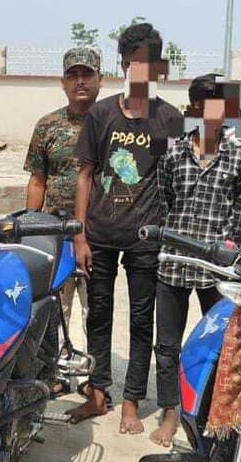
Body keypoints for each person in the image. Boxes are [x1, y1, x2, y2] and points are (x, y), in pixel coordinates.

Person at [68, 22, 183, 433]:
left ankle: (131, 400)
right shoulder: (101, 114)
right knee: (98, 315)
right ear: (123, 66)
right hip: (99, 235)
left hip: (145, 239)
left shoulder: (169, 119)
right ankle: (98, 392)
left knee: (141, 319)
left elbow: (176, 180)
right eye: (135, 63)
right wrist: (80, 235)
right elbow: (85, 176)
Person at [150, 75, 241, 447]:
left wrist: (229, 250)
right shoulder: (173, 153)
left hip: (217, 271)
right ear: (194, 108)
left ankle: (213, 410)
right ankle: (170, 411)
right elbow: (164, 201)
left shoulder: (240, 159)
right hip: (174, 263)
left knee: (222, 344)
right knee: (167, 345)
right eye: (204, 104)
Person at [24, 47, 102, 330]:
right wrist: (29, 229)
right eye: (73, 75)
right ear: (63, 83)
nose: (80, 81)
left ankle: (93, 360)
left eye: (87, 74)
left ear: (100, 79)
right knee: (55, 313)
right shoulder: (47, 126)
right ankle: (58, 359)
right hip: (55, 235)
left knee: (96, 315)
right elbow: (37, 181)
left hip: (97, 236)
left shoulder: (110, 124)